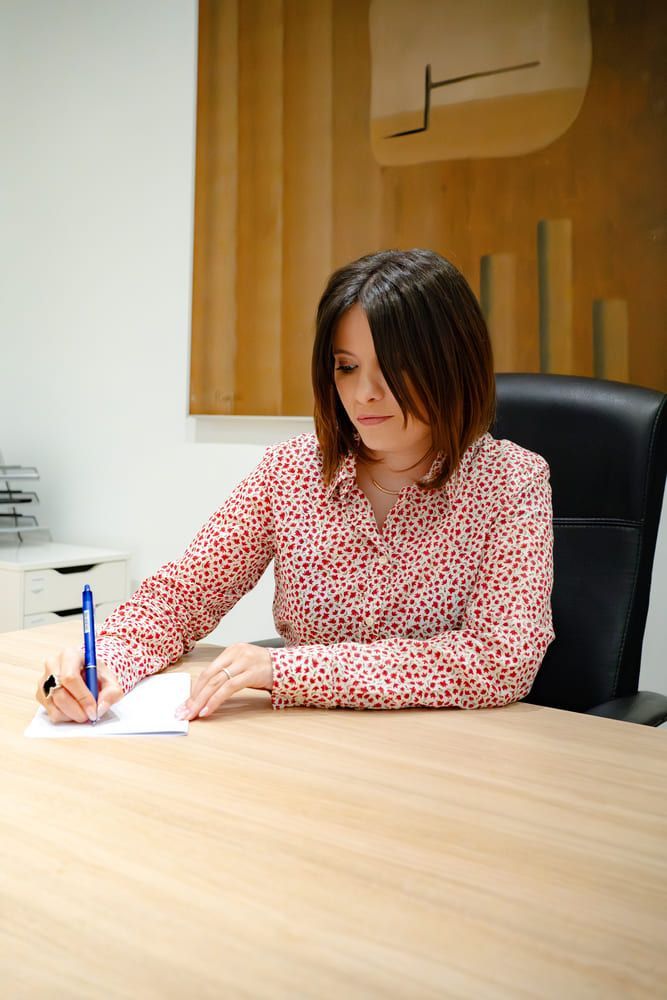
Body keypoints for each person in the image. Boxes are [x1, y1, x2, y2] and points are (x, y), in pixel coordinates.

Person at [35, 248, 555, 724]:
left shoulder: (512, 481)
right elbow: (183, 596)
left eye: (393, 368)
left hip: (447, 761)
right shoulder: (291, 471)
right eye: (347, 368)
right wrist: (105, 659)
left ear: (452, 365)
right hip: (304, 748)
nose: (364, 394)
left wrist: (289, 671)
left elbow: (500, 659)